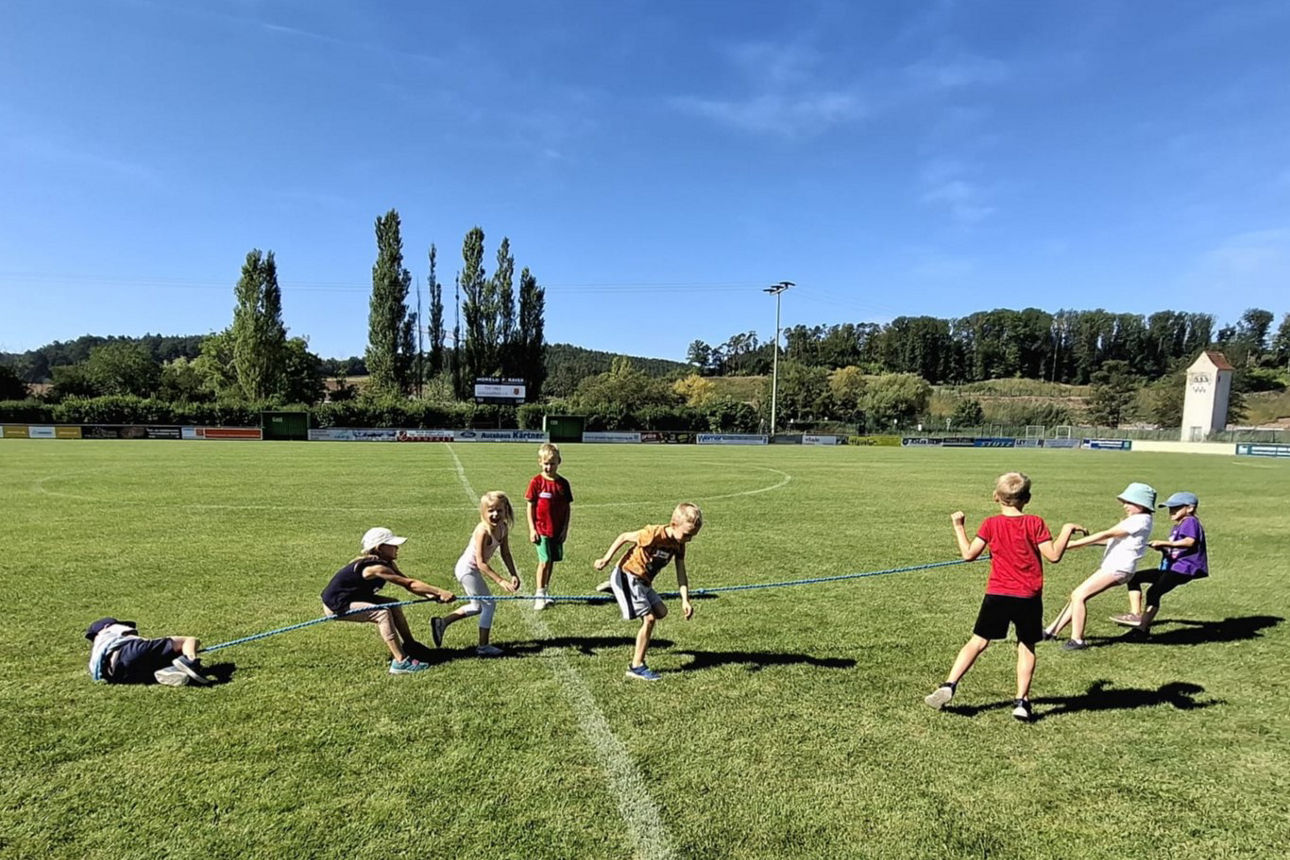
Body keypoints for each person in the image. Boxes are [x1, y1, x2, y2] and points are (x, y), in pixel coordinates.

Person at [924, 472, 1083, 721]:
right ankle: (1021, 701)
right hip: (1028, 596)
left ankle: (949, 685)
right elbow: (1053, 555)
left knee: (978, 641)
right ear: (1027, 498)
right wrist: (1066, 530)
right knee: (1026, 645)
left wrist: (958, 526)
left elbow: (968, 554)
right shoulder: (1035, 522)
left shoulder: (990, 523)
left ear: (995, 497)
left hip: (997, 593)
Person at [321, 527, 455, 674]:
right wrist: (439, 591)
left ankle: (410, 646)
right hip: (338, 605)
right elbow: (409, 583)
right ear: (379, 548)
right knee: (381, 613)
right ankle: (400, 662)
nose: (397, 548)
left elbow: (407, 584)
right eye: (392, 545)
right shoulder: (375, 568)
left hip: (355, 598)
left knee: (393, 604)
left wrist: (431, 596)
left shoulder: (387, 563)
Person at [593, 502, 703, 681]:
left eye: (692, 536)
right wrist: (606, 559)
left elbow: (681, 571)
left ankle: (618, 590)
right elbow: (624, 537)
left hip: (644, 582)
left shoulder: (678, 544)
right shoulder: (653, 534)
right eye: (687, 534)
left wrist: (685, 600)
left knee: (661, 612)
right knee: (649, 619)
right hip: (627, 574)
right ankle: (636, 666)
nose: (688, 539)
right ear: (674, 525)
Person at [1043, 482, 1157, 650]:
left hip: (1118, 568)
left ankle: (1077, 640)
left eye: (1130, 502)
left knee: (1079, 595)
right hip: (1115, 567)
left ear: (1142, 504)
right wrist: (1073, 544)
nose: (1125, 505)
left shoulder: (1140, 520)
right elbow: (1109, 540)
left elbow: (1106, 534)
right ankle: (1051, 631)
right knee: (1077, 596)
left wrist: (1071, 544)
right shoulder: (1137, 520)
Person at [431, 492, 522, 657]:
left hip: (472, 569)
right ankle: (483, 646)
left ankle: (442, 623)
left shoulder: (503, 527)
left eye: (499, 511)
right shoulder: (483, 532)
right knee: (489, 605)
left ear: (506, 510)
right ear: (483, 512)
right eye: (490, 511)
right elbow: (481, 563)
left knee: (477, 606)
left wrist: (513, 574)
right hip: (467, 570)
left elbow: (506, 553)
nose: (495, 515)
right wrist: (500, 581)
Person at [1111, 491, 1208, 633]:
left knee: (1154, 592)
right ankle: (1136, 615)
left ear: (1190, 508)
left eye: (1176, 508)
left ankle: (1141, 629)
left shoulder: (1190, 521)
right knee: (1134, 578)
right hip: (1172, 567)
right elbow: (1176, 549)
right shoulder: (1178, 526)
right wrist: (1163, 548)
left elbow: (1189, 542)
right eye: (1170, 508)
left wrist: (1164, 543)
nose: (1171, 511)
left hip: (1184, 568)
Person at [85, 617, 212, 686]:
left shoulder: (95, 655)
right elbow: (134, 636)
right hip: (128, 652)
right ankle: (190, 661)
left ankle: (169, 671)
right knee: (188, 640)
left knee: (149, 665)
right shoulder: (110, 629)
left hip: (116, 675)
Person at [526, 442, 573, 611]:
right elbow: (530, 505)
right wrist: (532, 529)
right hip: (541, 530)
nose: (549, 467)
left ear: (559, 462)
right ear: (540, 462)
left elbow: (567, 507)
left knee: (551, 561)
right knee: (544, 561)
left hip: (557, 530)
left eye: (552, 463)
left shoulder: (563, 484)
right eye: (546, 463)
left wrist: (565, 529)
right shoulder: (536, 482)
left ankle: (545, 591)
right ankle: (539, 594)